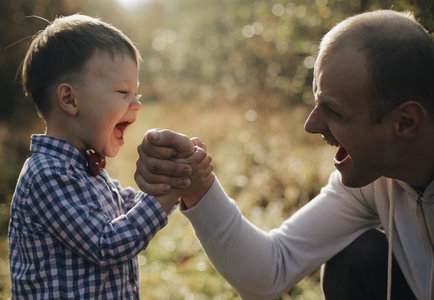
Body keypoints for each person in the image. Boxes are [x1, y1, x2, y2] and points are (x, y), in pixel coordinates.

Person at [135, 10, 434, 300]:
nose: (311, 125)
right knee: (356, 258)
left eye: (334, 111)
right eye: (317, 101)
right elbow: (272, 270)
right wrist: (198, 185)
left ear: (405, 122)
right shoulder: (374, 179)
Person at [8, 14, 212, 299]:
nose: (137, 104)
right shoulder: (46, 175)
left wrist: (175, 173)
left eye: (136, 93)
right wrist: (168, 193)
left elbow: (125, 206)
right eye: (123, 91)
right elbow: (107, 244)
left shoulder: (83, 167)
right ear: (69, 99)